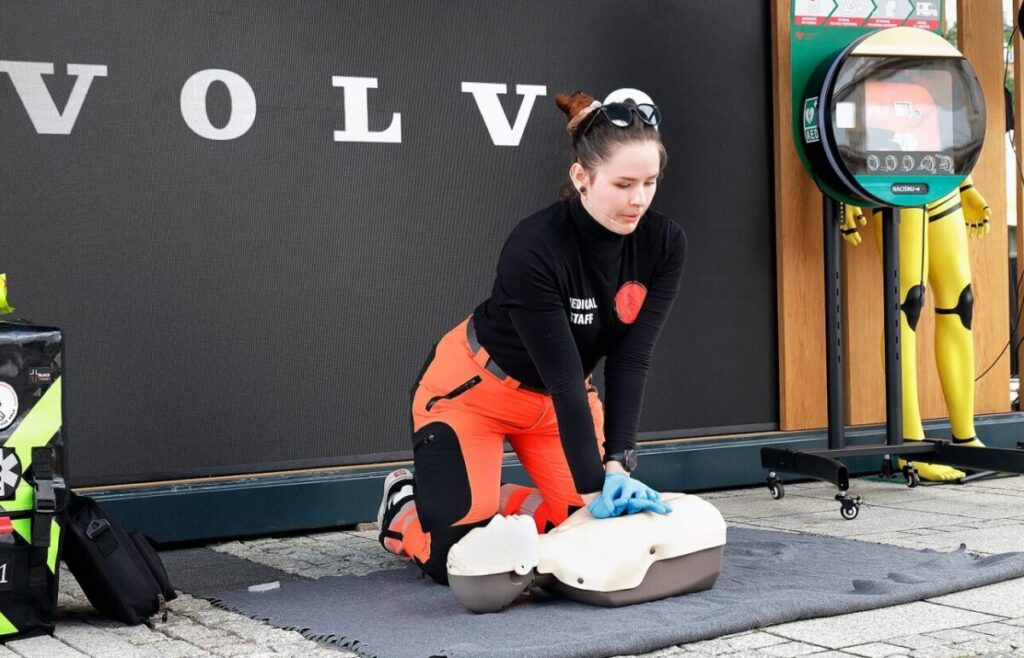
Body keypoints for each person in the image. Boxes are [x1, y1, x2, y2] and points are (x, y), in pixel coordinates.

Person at [377, 91, 688, 584]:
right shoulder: (535, 246)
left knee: (587, 546)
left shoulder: (665, 242)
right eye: (624, 184)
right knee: (458, 560)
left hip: (556, 408)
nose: (639, 200)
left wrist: (618, 466)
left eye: (650, 182)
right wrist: (594, 490)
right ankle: (403, 505)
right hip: (473, 394)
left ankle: (498, 504)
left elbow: (631, 359)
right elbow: (562, 376)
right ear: (582, 177)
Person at [841, 176, 991, 481]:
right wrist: (844, 192)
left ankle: (965, 438)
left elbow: (947, 141)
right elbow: (849, 142)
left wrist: (966, 185)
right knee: (907, 304)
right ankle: (909, 443)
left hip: (941, 180)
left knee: (960, 303)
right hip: (892, 181)